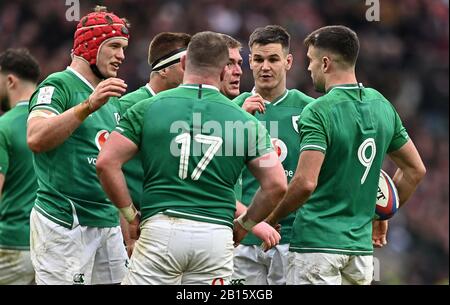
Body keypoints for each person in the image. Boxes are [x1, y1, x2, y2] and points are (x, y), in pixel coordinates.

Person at [96, 31, 287, 285]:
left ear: (184, 63)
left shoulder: (146, 108)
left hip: (161, 229)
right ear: (222, 71)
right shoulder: (245, 121)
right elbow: (277, 184)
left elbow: (106, 163)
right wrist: (244, 224)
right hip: (216, 237)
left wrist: (130, 216)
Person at [266, 25, 426, 285]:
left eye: (311, 61)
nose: (308, 68)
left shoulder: (318, 111)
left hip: (316, 246)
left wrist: (273, 219)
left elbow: (305, 183)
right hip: (360, 253)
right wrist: (378, 215)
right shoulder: (382, 104)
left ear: (326, 63)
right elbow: (415, 170)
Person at [26, 6, 130, 285]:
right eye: (115, 46)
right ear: (91, 46)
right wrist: (87, 106)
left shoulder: (113, 96)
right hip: (65, 223)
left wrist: (125, 219)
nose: (121, 55)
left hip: (106, 223)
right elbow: (35, 137)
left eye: (124, 48)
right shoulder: (59, 85)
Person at [231, 25, 314, 285]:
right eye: (258, 59)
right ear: (249, 62)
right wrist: (239, 120)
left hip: (292, 238)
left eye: (273, 59)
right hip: (242, 236)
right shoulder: (232, 109)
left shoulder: (310, 110)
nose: (265, 67)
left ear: (288, 62)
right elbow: (213, 172)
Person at [0, 48, 40, 285]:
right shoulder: (57, 121)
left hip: (12, 244)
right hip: (51, 244)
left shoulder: (4, 126)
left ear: (10, 80)